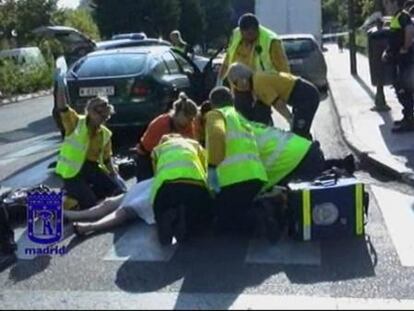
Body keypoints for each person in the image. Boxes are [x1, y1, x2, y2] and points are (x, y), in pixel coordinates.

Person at [208, 87, 355, 241]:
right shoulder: (243, 122)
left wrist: (211, 167)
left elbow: (218, 137)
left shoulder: (221, 118)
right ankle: (340, 165)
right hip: (307, 150)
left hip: (297, 162)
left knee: (295, 198)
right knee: (308, 173)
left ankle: (268, 213)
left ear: (213, 105)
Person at [205, 87, 268, 235]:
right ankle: (259, 214)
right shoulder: (239, 117)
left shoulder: (216, 114)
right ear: (232, 101)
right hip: (256, 176)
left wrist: (212, 165)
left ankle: (260, 216)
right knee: (238, 216)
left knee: (219, 223)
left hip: (233, 180)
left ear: (212, 103)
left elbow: (216, 134)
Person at [55, 78, 125, 209]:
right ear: (90, 111)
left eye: (104, 114)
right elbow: (62, 107)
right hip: (71, 173)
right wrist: (60, 85)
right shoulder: (76, 122)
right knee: (89, 203)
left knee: (117, 193)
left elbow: (106, 159)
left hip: (90, 169)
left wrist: (115, 177)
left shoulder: (105, 134)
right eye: (98, 112)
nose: (101, 117)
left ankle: (82, 194)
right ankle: (64, 200)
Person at [218, 13, 291, 124]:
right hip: (240, 89)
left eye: (251, 35)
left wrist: (285, 90)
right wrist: (219, 82)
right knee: (243, 121)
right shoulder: (236, 35)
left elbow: (283, 68)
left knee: (261, 121)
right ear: (241, 31)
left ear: (256, 29)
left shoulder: (271, 40)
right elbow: (228, 59)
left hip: (262, 88)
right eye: (245, 35)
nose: (248, 39)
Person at [226, 62, 320, 140]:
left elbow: (278, 104)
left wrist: (289, 119)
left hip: (306, 96)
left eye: (235, 83)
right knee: (299, 131)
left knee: (299, 134)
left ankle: (311, 155)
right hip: (302, 93)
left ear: (243, 79)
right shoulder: (257, 78)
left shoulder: (259, 84)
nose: (236, 87)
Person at [151, 133, 212, 245]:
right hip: (194, 185)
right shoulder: (195, 144)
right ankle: (187, 217)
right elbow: (205, 168)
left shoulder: (157, 150)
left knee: (161, 208)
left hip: (167, 188)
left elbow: (156, 175)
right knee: (203, 217)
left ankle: (169, 214)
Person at [135, 92, 199, 182]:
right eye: (189, 118)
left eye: (192, 119)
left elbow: (191, 147)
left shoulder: (188, 126)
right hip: (147, 158)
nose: (191, 121)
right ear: (180, 113)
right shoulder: (161, 124)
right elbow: (151, 151)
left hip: (170, 157)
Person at [382, 0, 414, 132]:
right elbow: (394, 38)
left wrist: (405, 48)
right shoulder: (396, 18)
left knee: (404, 89)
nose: (385, 6)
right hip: (399, 60)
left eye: (387, 3)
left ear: (394, 3)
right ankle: (407, 117)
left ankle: (410, 120)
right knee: (400, 88)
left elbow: (410, 30)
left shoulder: (403, 16)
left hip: (405, 60)